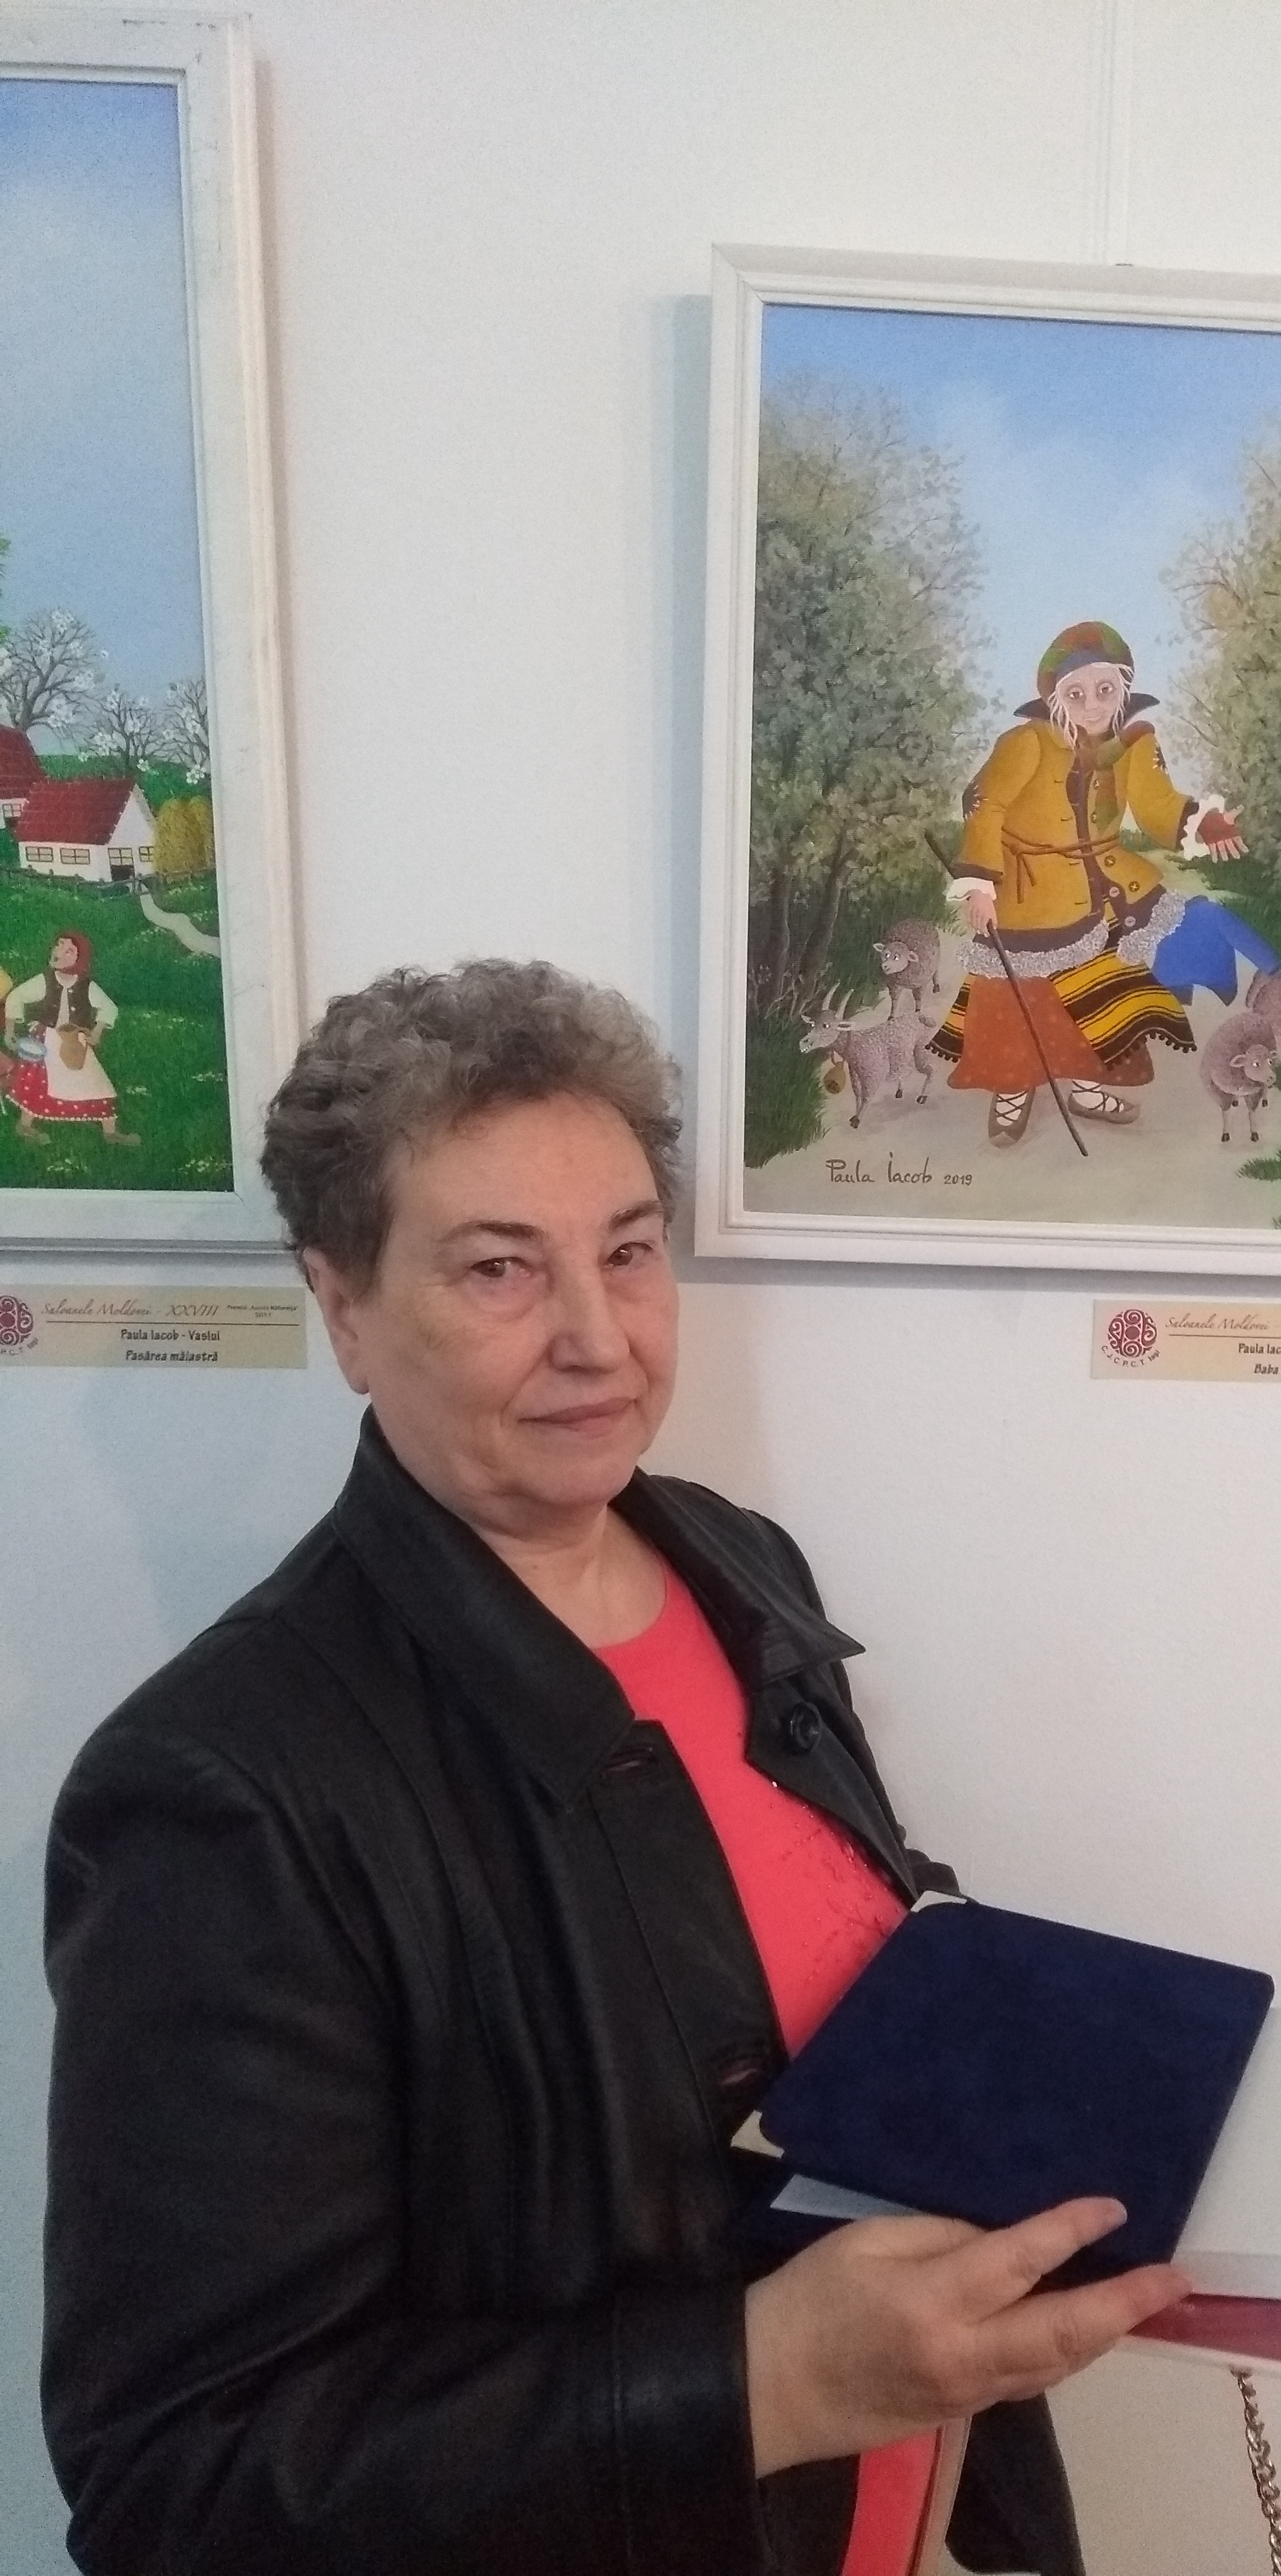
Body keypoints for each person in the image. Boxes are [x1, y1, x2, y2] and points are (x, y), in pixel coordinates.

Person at [42, 959, 1184, 2576]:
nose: (599, 1339)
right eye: (500, 1269)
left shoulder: (738, 1564)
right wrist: (766, 2380)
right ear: (345, 1307)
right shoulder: (220, 1788)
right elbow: (183, 2489)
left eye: (630, 1253)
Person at [927, 623, 1246, 1147]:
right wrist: (981, 885)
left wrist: (1202, 824)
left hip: (1100, 896)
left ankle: (1085, 1088)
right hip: (1027, 899)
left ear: (1123, 689)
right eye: (1076, 694)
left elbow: (1157, 806)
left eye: (1104, 690)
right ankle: (1012, 1092)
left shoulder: (1135, 744)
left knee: (1098, 998)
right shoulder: (1026, 742)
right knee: (1019, 1003)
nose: (1092, 705)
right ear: (1055, 698)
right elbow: (987, 807)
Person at [4, 928, 139, 1145]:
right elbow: (16, 997)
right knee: (42, 1082)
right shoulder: (45, 981)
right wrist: (10, 1031)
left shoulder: (86, 986)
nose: (59, 952)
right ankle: (25, 1125)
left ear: (79, 959)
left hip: (76, 1041)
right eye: (59, 945)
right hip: (48, 1039)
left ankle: (110, 1132)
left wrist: (96, 1032)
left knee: (95, 1081)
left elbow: (108, 1007)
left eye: (69, 951)